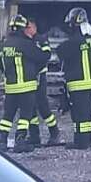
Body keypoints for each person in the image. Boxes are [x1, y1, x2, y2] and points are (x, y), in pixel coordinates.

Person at [0, 14, 43, 153]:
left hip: (11, 88)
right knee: (25, 115)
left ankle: (2, 141)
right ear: (23, 29)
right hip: (26, 87)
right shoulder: (25, 44)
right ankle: (20, 141)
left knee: (8, 115)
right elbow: (41, 57)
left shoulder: (3, 46)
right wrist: (45, 47)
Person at [59, 8, 91, 149]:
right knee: (87, 114)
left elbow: (61, 51)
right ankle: (87, 139)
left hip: (79, 83)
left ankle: (81, 142)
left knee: (79, 115)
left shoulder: (75, 41)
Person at [27, 19, 61, 147]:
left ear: (34, 27)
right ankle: (34, 136)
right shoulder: (26, 41)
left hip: (40, 77)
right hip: (29, 78)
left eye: (29, 26)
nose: (27, 29)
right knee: (30, 108)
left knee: (43, 106)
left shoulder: (40, 40)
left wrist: (36, 68)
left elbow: (46, 55)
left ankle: (54, 132)